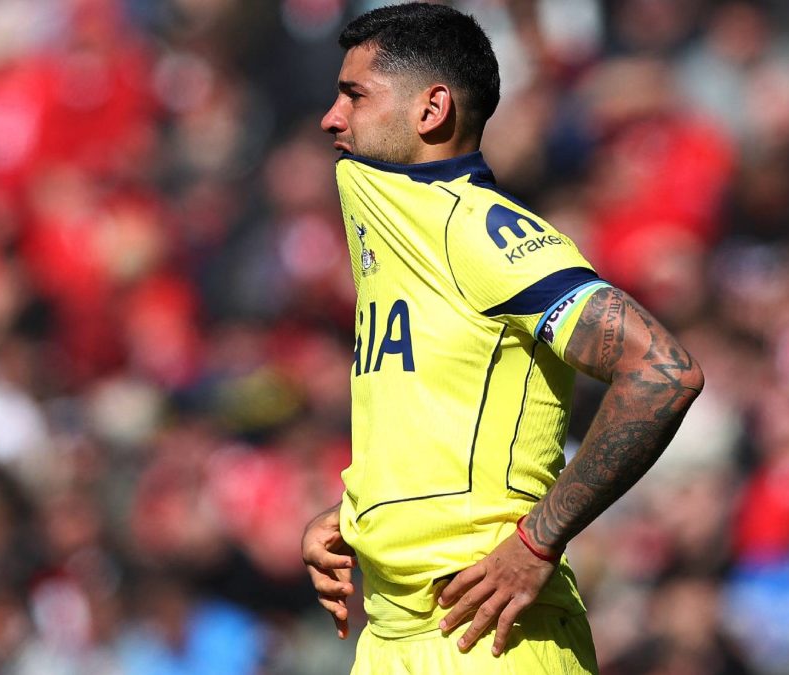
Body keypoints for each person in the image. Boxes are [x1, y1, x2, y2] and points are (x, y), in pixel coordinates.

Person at [301, 4, 704, 673]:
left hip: (489, 635)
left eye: (355, 95)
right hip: (388, 638)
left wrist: (538, 541)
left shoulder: (481, 231)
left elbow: (663, 371)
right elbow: (442, 416)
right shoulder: (396, 230)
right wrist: (357, 513)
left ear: (431, 109)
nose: (331, 117)